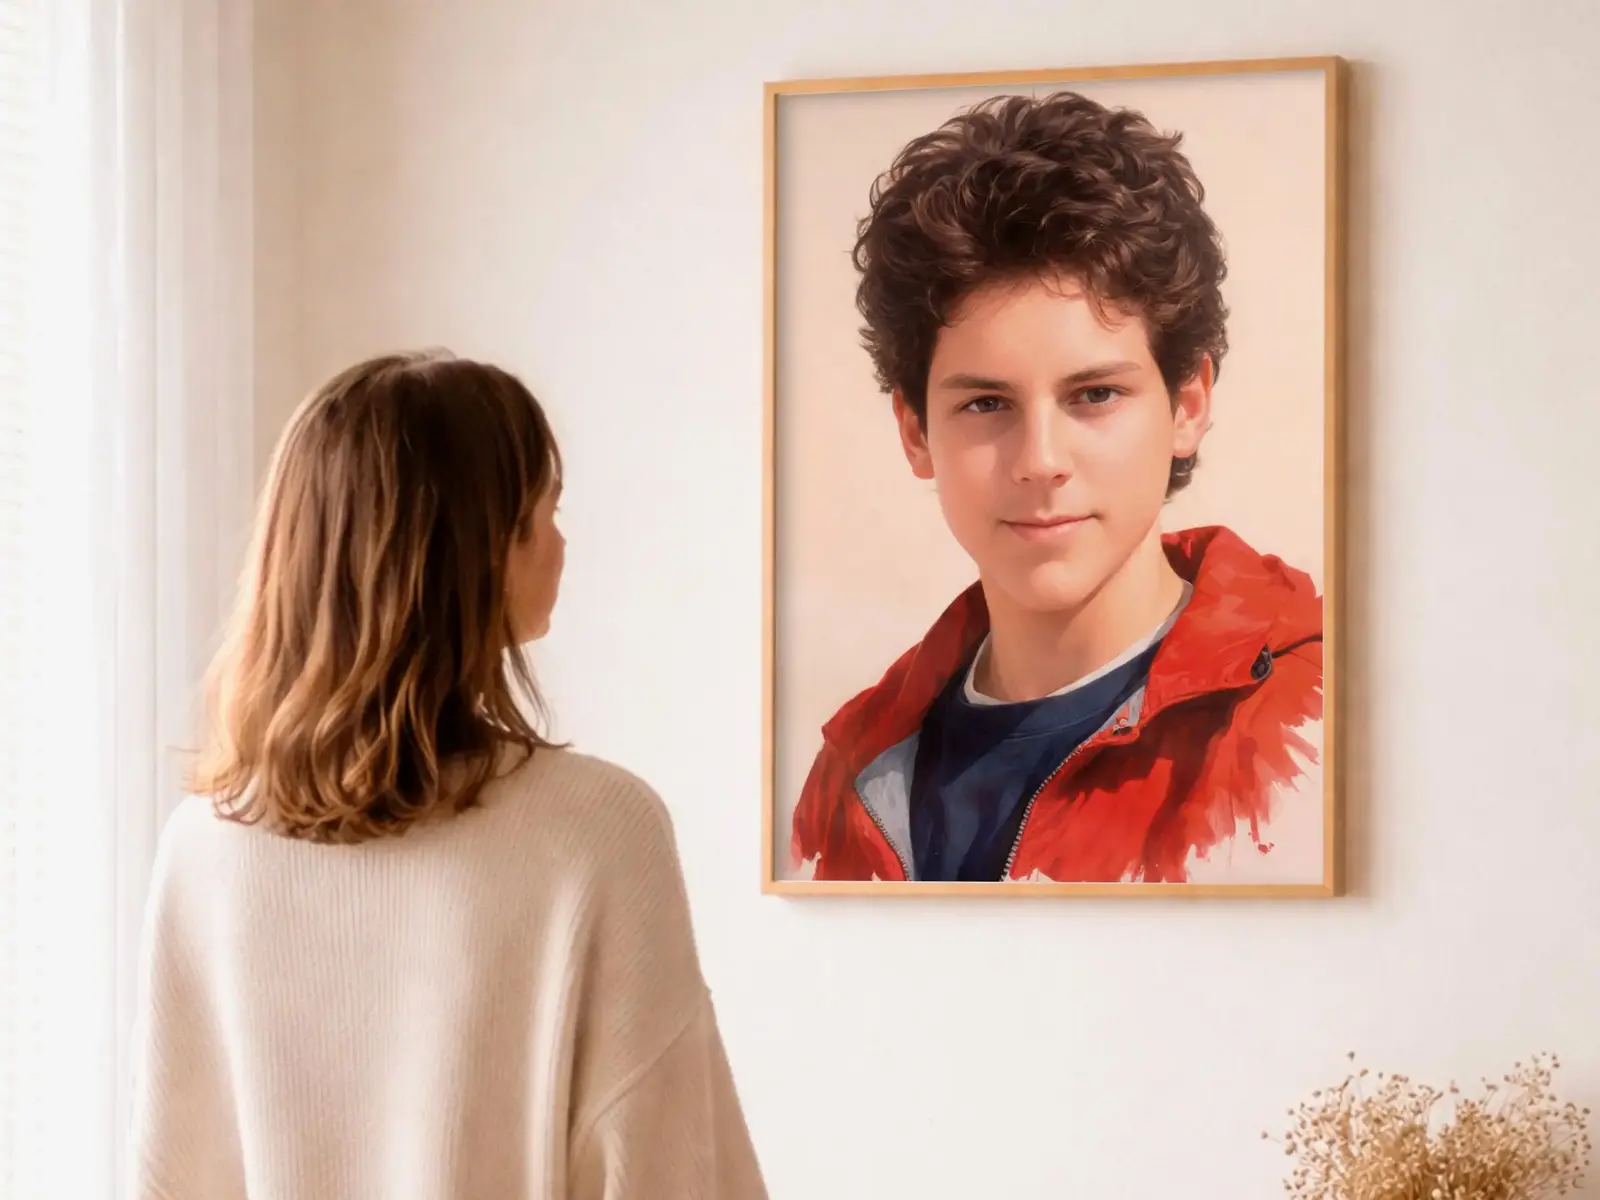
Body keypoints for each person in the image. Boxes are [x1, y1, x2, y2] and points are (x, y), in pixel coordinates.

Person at [128, 351, 768, 1198]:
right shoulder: (597, 832)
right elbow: (666, 1171)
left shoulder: (204, 850)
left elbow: (169, 1175)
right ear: (475, 551)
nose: (562, 543)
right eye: (543, 513)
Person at [790, 92, 1324, 886]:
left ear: (1188, 405)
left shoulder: (1316, 714)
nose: (1040, 460)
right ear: (914, 432)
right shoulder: (852, 771)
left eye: (1094, 395)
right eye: (985, 404)